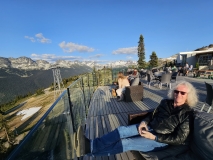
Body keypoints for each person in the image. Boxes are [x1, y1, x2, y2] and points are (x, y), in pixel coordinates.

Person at [75, 80, 198, 157]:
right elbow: (152, 114)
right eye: (176, 91)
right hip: (149, 127)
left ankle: (92, 152)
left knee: (126, 142)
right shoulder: (166, 102)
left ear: (188, 96)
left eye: (182, 93)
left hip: (160, 141)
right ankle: (91, 144)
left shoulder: (188, 113)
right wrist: (144, 122)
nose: (178, 95)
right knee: (122, 130)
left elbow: (179, 138)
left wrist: (154, 137)